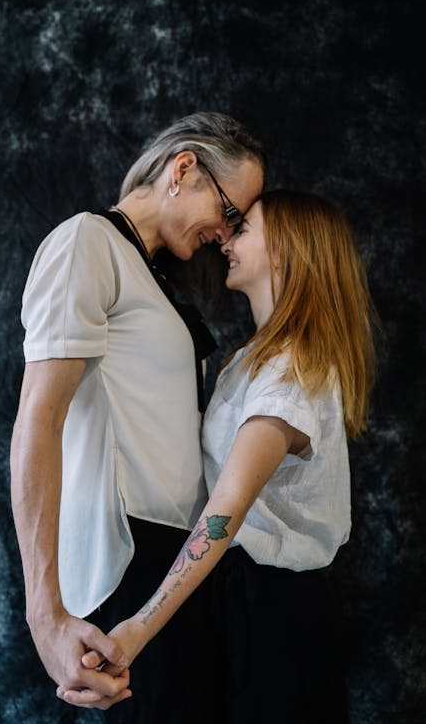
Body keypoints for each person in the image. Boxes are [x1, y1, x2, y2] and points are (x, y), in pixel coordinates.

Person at [67, 189, 377, 723]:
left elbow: (227, 508)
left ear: (284, 251)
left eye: (245, 230)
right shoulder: (251, 360)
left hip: (276, 612)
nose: (226, 240)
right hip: (237, 599)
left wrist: (140, 626)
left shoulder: (292, 370)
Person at [10, 112, 266, 720]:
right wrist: (44, 613)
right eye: (230, 213)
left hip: (176, 570)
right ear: (184, 169)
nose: (227, 235)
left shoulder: (149, 274)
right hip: (129, 556)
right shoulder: (87, 242)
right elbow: (37, 424)